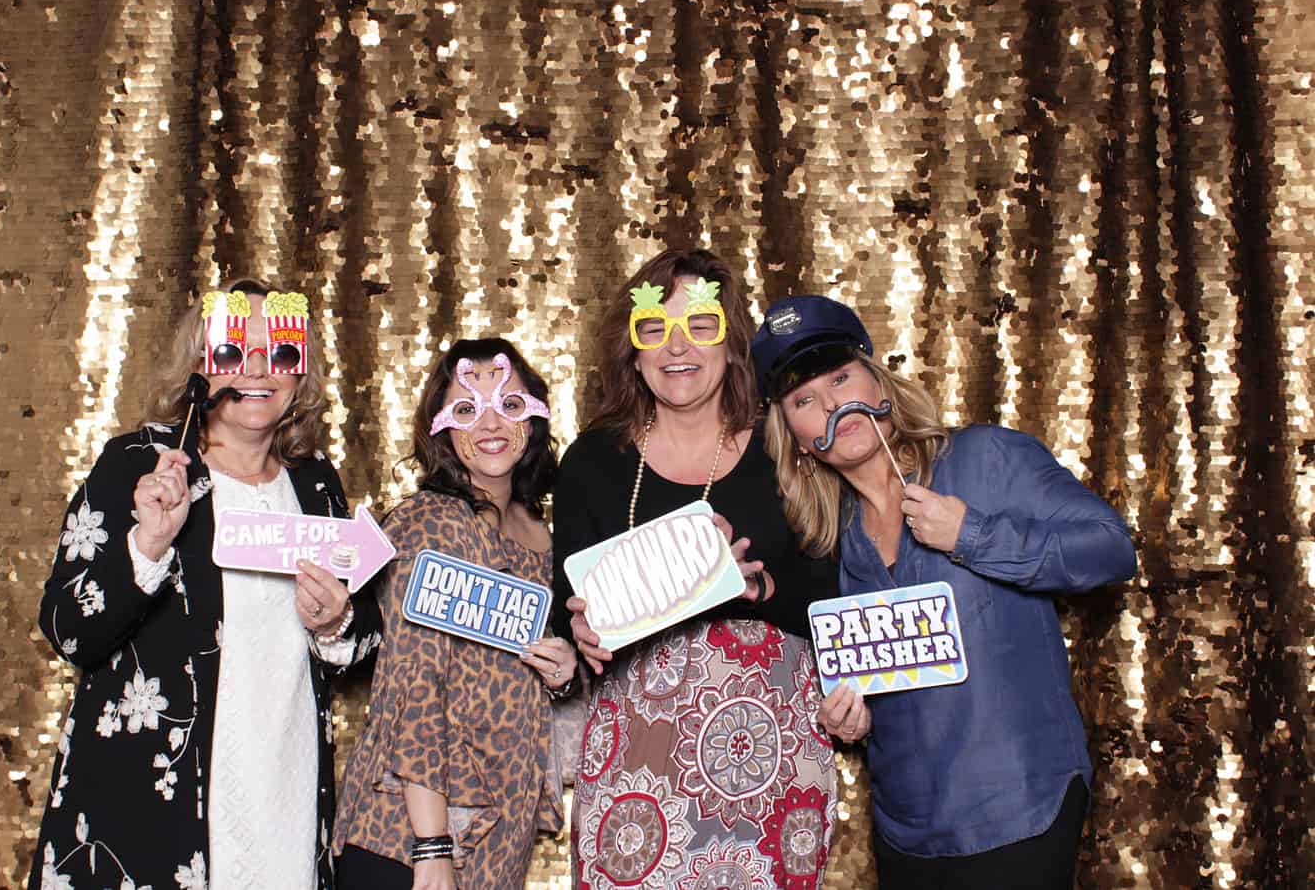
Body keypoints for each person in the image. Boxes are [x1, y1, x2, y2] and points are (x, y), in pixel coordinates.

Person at [752, 293, 1138, 889]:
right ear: (798, 438)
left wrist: (972, 533)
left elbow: (1112, 548)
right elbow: (894, 681)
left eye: (841, 376)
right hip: (909, 833)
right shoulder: (833, 546)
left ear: (878, 383)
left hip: (1019, 807)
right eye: (805, 399)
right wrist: (853, 722)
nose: (832, 403)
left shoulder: (985, 458)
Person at [32, 279, 382, 890]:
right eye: (232, 351)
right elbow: (68, 627)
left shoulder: (315, 485)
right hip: (153, 807)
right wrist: (146, 547)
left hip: (283, 796)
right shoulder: (139, 466)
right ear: (198, 366)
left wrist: (336, 622)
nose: (256, 368)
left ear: (300, 373)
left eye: (280, 352)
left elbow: (362, 638)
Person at [553, 249, 850, 890]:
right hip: (637, 761)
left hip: (775, 753)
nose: (677, 347)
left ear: (733, 339)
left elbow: (838, 599)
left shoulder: (786, 444)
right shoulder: (592, 461)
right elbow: (565, 619)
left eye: (701, 326)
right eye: (654, 328)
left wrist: (758, 587)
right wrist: (579, 635)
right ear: (633, 350)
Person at [333, 338, 578, 890]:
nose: (490, 423)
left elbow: (522, 681)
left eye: (509, 405)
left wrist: (563, 676)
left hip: (498, 841)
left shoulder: (542, 536)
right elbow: (412, 685)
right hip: (410, 835)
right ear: (442, 426)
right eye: (467, 409)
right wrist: (431, 846)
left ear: (535, 417)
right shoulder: (431, 524)